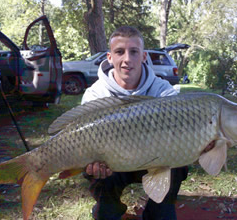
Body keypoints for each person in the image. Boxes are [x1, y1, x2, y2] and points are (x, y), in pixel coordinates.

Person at [81, 26, 189, 220]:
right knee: (92, 169)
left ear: (144, 56)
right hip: (112, 163)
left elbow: (181, 132)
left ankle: (158, 211)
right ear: (109, 57)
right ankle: (109, 209)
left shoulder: (163, 91)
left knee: (178, 163)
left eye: (134, 52)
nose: (127, 59)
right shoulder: (95, 94)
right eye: (119, 52)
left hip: (153, 161)